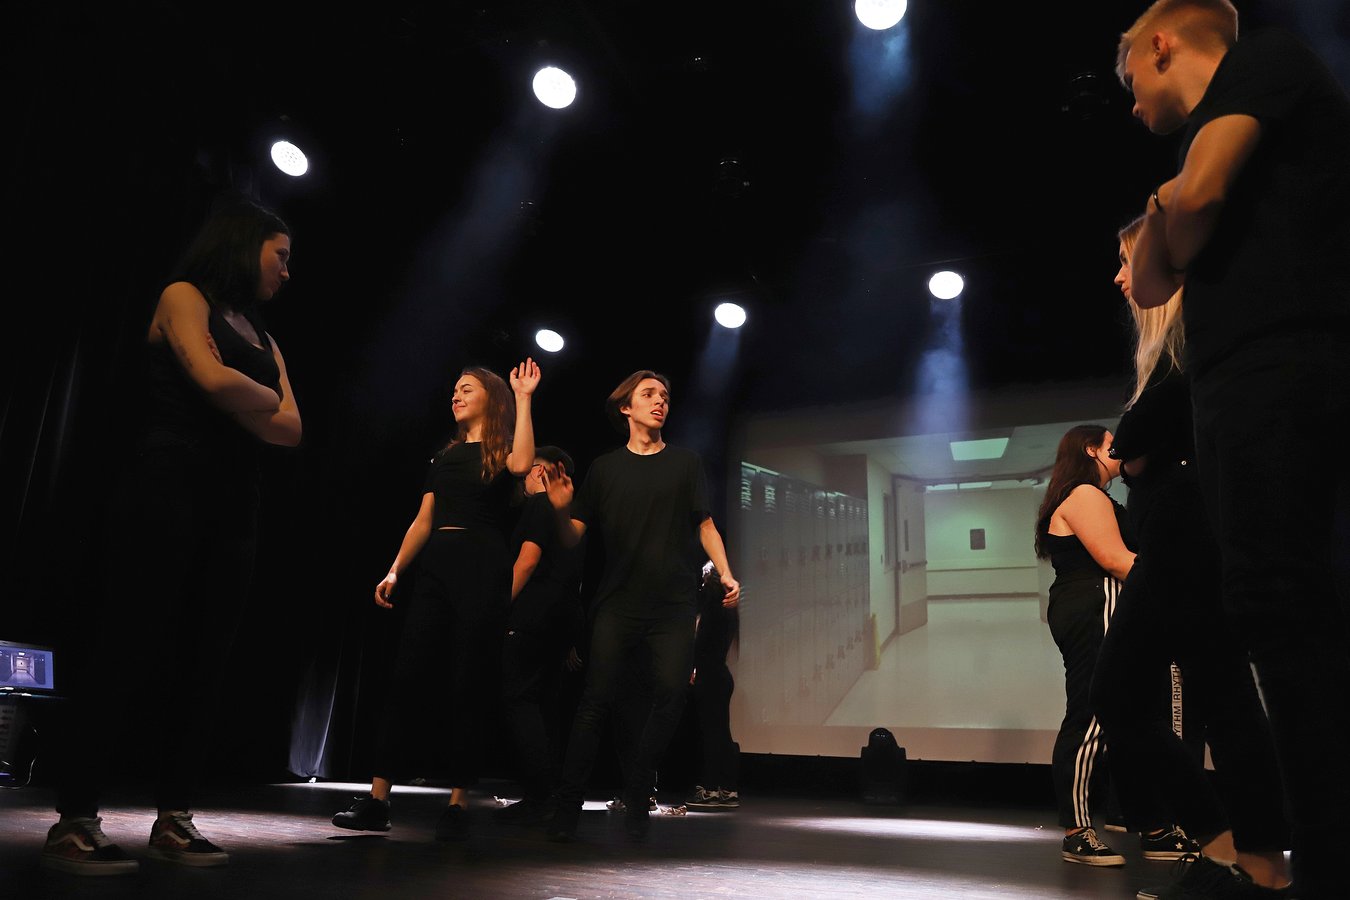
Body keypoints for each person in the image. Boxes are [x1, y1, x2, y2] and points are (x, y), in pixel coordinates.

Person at [1117, 2, 1350, 894]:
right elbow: (1150, 280)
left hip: (1283, 369)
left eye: (1129, 77)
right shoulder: (1198, 142)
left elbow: (1202, 197)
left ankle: (1318, 863)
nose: (1131, 100)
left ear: (1160, 44)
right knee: (1269, 615)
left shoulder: (1263, 64)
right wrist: (1167, 206)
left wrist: (1172, 203)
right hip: (1236, 390)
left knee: (1289, 615)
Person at [41, 199, 302, 875]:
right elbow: (216, 380)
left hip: (235, 504)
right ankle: (74, 820)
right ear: (244, 245)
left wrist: (240, 393)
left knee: (205, 662)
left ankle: (175, 818)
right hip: (166, 488)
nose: (286, 271)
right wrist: (255, 396)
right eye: (280, 256)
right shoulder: (184, 296)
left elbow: (292, 428)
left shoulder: (262, 334)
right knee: (125, 645)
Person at [1092, 218, 1291, 899]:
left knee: (1207, 691)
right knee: (1182, 690)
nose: (1119, 277)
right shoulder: (1172, 346)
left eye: (1127, 262)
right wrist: (1132, 449)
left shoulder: (1194, 329)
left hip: (1186, 536)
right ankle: (1238, 853)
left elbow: (1140, 432)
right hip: (1176, 537)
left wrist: (1127, 447)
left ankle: (1254, 860)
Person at [332, 360, 540, 840]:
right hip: (437, 569)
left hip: (482, 567)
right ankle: (377, 800)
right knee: (406, 677)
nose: (456, 395)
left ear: (491, 398)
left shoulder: (502, 451)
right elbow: (423, 520)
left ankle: (458, 803)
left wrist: (524, 397)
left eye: (466, 389)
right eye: (454, 390)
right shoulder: (444, 457)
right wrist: (395, 569)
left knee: (468, 681)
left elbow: (522, 466)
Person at [541, 370, 741, 841]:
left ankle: (637, 787)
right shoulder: (605, 469)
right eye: (649, 394)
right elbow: (573, 537)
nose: (660, 401)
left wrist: (726, 572)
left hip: (673, 605)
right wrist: (558, 508)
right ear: (625, 408)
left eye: (665, 396)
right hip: (617, 604)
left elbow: (705, 524)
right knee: (595, 702)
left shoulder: (685, 463)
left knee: (671, 695)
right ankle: (567, 807)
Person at [1035, 425, 1189, 866]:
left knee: (1134, 719)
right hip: (1096, 603)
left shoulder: (1096, 495)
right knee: (1092, 713)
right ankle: (1077, 831)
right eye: (1110, 444)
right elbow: (1115, 560)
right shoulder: (1084, 494)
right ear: (1090, 450)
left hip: (1109, 605)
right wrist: (1183, 586)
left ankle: (1154, 826)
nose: (1119, 449)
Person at [495, 445, 585, 826]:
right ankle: (544, 794)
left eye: (530, 469)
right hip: (560, 622)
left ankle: (540, 794)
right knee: (545, 705)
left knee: (518, 698)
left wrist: (499, 609)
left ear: (545, 472)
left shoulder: (538, 506)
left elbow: (527, 561)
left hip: (531, 616)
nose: (523, 477)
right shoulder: (572, 520)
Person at [685, 561, 741, 811]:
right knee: (721, 734)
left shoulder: (711, 611)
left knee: (711, 735)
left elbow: (701, 646)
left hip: (710, 678)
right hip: (720, 676)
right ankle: (727, 789)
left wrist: (693, 668)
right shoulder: (728, 611)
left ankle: (709, 789)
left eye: (704, 579)